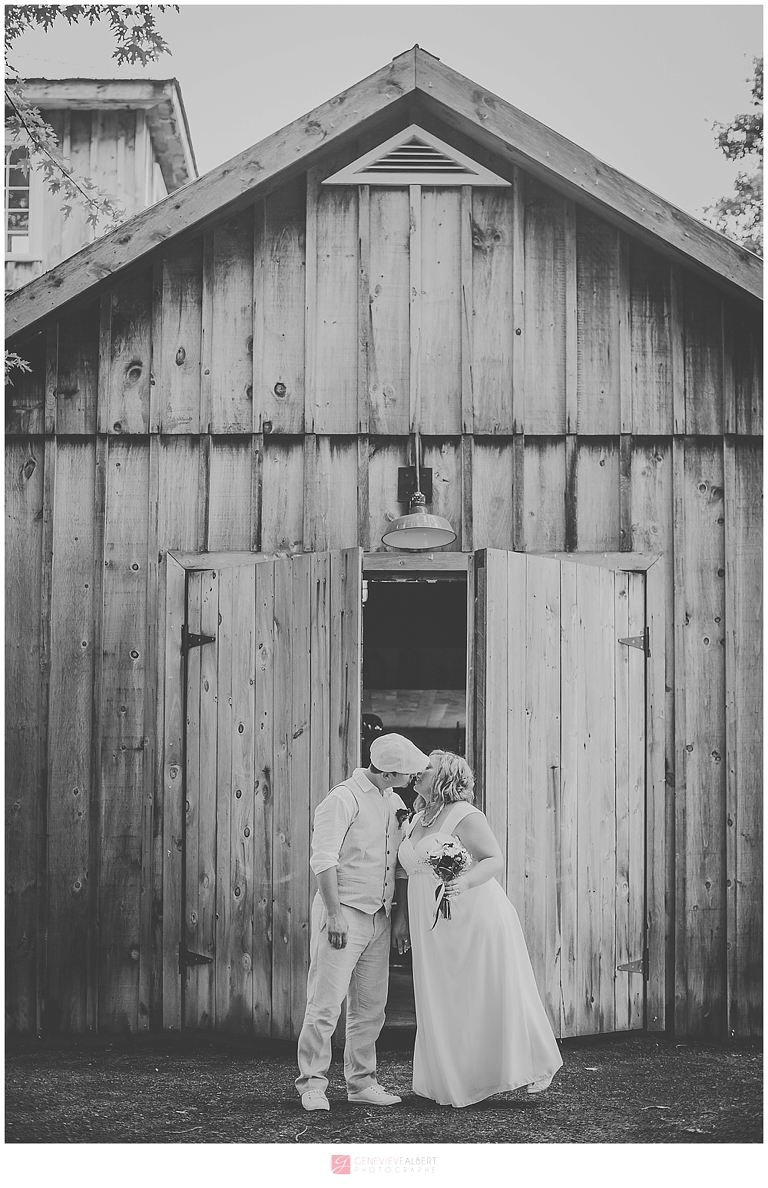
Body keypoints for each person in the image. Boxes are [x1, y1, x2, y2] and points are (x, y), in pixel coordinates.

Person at [396, 750, 563, 1108]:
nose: (415, 773)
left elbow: (493, 858)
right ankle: (455, 1076)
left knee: (493, 991)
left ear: (441, 777)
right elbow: (408, 872)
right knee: (448, 998)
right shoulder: (416, 817)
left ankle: (539, 1062)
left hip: (474, 915)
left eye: (423, 769)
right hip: (433, 925)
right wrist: (402, 923)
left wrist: (466, 883)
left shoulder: (464, 814)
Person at [296, 732, 430, 1112]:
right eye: (407, 774)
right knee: (325, 1006)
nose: (412, 779)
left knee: (371, 1008)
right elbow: (323, 860)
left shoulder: (393, 800)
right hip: (344, 917)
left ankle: (361, 1082)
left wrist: (398, 919)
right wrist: (334, 914)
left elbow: (398, 864)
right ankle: (312, 1084)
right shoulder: (342, 799)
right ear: (388, 773)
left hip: (379, 918)